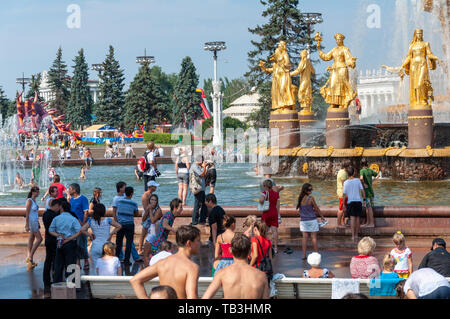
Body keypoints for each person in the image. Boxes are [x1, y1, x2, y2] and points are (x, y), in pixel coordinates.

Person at [130, 225, 201, 299]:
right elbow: (192, 297)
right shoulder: (191, 267)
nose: (200, 244)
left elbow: (135, 280)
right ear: (189, 243)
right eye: (198, 240)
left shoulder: (162, 263)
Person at [202, 233, 270, 299]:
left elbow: (206, 297)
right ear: (250, 251)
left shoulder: (222, 274)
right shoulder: (261, 276)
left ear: (230, 250)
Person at [49, 200, 82, 283]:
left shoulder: (56, 218)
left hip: (60, 242)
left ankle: (57, 284)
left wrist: (58, 235)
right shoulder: (73, 219)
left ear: (62, 208)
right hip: (70, 243)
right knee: (71, 265)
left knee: (58, 265)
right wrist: (69, 238)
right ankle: (72, 285)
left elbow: (50, 230)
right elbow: (79, 231)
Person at [81, 203, 122, 270]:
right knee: (108, 268)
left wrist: (90, 235)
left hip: (95, 247)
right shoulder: (108, 220)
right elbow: (119, 226)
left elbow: (82, 229)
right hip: (106, 247)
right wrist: (111, 234)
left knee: (95, 268)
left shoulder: (91, 221)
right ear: (103, 211)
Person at [111, 181, 141, 263]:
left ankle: (116, 259)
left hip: (120, 224)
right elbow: (136, 213)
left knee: (119, 242)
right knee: (129, 243)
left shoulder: (119, 201)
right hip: (129, 224)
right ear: (131, 194)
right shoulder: (134, 203)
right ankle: (127, 260)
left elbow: (115, 211)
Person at [296, 183, 326, 260]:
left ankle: (303, 255)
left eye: (311, 189)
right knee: (314, 238)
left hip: (303, 221)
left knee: (304, 238)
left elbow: (299, 210)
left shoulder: (300, 199)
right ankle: (316, 254)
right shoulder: (311, 198)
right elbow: (316, 208)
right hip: (312, 220)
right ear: (305, 190)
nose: (311, 191)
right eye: (310, 190)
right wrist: (322, 216)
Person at [68, 183, 90, 270]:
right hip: (73, 225)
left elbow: (86, 212)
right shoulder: (71, 200)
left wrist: (83, 224)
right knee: (75, 244)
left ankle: (86, 260)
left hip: (82, 225)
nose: (68, 190)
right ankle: (77, 262)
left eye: (70, 189)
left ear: (74, 190)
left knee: (82, 243)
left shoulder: (83, 198)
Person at [42, 198, 61, 292]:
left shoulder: (45, 214)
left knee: (48, 261)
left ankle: (46, 281)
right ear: (56, 205)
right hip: (54, 239)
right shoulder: (55, 215)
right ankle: (55, 279)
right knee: (55, 260)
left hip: (48, 239)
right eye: (59, 207)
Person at [343, 166, 366, 242]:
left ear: (347, 174)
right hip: (358, 201)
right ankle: (356, 235)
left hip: (350, 202)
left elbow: (344, 195)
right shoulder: (357, 180)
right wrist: (364, 200)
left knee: (352, 219)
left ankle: (353, 236)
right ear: (354, 173)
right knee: (358, 218)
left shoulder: (345, 182)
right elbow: (362, 191)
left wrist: (343, 204)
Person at [259, 179, 280, 253]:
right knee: (275, 231)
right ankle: (276, 248)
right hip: (274, 213)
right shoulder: (276, 194)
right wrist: (277, 214)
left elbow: (261, 201)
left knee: (264, 231)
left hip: (266, 213)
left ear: (265, 186)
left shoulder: (264, 193)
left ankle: (264, 246)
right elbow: (278, 206)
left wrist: (261, 202)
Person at [139, 181, 160, 254]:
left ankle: (150, 250)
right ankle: (140, 249)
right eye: (154, 186)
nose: (156, 188)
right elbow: (146, 208)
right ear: (150, 187)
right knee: (143, 234)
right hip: (147, 215)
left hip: (151, 215)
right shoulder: (145, 195)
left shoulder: (151, 194)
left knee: (152, 235)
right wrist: (148, 217)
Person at [142, 194, 163, 265]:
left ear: (157, 202)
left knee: (146, 254)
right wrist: (147, 210)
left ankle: (147, 269)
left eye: (155, 200)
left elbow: (153, 220)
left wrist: (150, 210)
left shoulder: (158, 210)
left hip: (154, 234)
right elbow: (143, 219)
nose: (153, 201)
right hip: (150, 232)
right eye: (151, 199)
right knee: (148, 254)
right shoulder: (149, 208)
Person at [25, 186, 42, 270]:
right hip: (32, 222)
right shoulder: (29, 201)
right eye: (37, 192)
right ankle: (30, 256)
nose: (38, 193)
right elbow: (27, 213)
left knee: (31, 238)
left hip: (35, 221)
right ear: (33, 192)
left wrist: (38, 222)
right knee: (39, 239)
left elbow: (34, 213)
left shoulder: (34, 200)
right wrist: (27, 224)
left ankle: (29, 258)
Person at [359, 158, 379, 228]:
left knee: (369, 208)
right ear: (367, 163)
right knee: (368, 208)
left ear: (361, 164)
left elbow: (361, 178)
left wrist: (364, 184)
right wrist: (373, 181)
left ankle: (371, 223)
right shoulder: (370, 170)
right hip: (371, 192)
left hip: (366, 193)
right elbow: (378, 175)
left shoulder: (362, 171)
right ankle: (368, 222)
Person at [191, 155, 209, 225]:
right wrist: (204, 167)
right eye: (202, 161)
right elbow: (201, 175)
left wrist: (206, 167)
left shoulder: (198, 166)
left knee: (203, 204)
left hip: (201, 188)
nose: (203, 162)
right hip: (197, 188)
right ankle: (194, 221)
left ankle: (202, 220)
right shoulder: (195, 166)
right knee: (197, 205)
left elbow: (204, 175)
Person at [336, 160, 351, 228]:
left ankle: (342, 222)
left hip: (342, 192)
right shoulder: (343, 173)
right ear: (347, 166)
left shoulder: (342, 172)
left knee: (344, 208)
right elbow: (344, 184)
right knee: (341, 208)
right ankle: (339, 223)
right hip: (343, 193)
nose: (350, 167)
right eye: (349, 165)